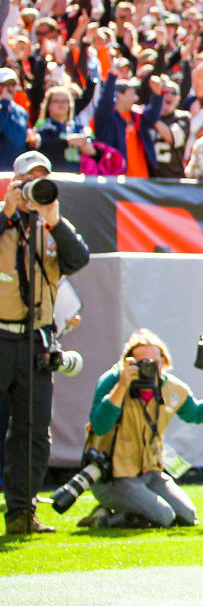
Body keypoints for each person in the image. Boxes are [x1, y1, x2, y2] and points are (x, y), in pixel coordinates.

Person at [1, 151, 91, 534]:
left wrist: (53, 221)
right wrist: (7, 212)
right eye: (30, 180)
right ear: (15, 182)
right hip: (0, 334)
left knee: (34, 430)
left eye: (43, 179)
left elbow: (78, 259)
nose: (36, 187)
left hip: (36, 341)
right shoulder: (4, 219)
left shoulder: (53, 226)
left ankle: (22, 513)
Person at [84, 330, 203, 528]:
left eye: (154, 363)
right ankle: (103, 518)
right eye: (142, 363)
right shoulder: (113, 381)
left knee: (187, 517)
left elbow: (196, 413)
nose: (149, 368)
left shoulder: (171, 388)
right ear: (128, 364)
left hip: (150, 473)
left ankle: (125, 511)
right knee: (164, 517)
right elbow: (99, 426)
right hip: (114, 476)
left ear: (164, 362)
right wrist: (122, 386)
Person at [0, 67, 29, 169]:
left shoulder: (21, 112)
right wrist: (3, 104)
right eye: (5, 85)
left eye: (13, 85)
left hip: (17, 169)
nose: (10, 89)